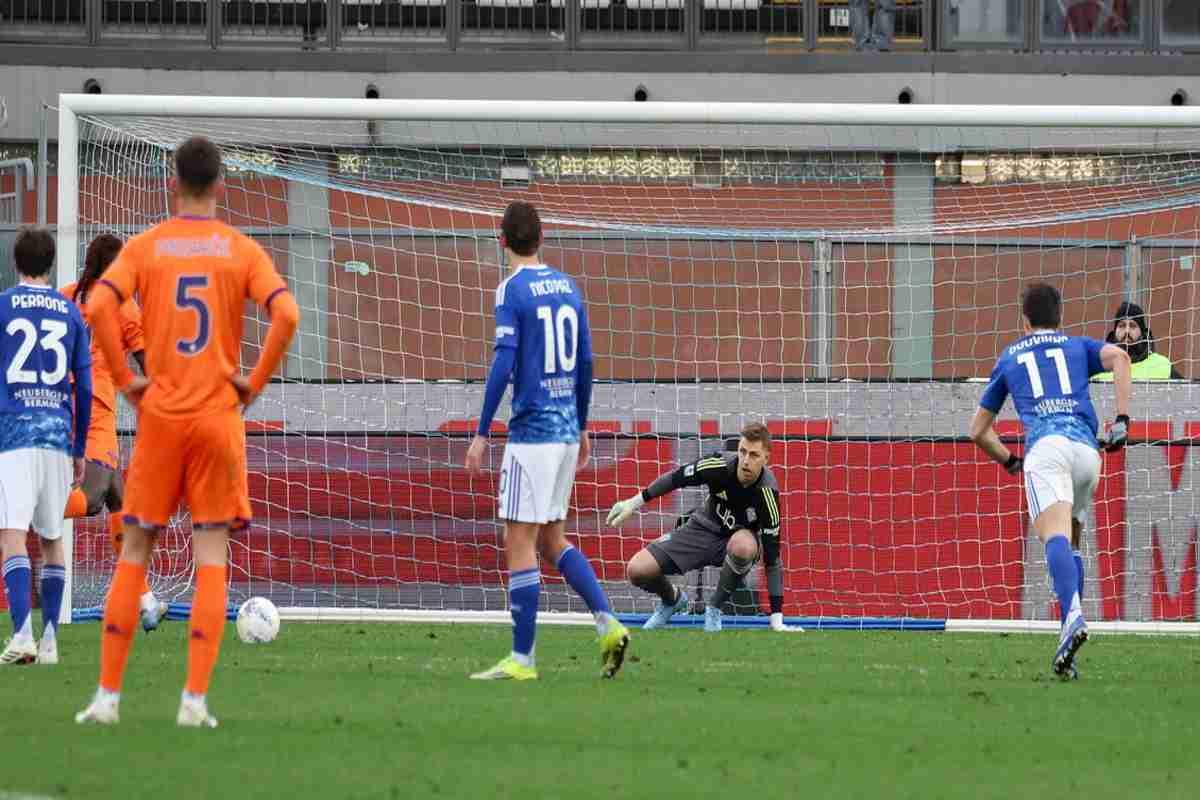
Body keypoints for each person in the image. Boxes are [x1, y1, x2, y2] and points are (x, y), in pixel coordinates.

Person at [74, 136, 300, 727]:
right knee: (211, 555)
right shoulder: (240, 248)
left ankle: (107, 698)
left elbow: (98, 304)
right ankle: (194, 701)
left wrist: (126, 380)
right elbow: (288, 314)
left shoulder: (148, 247)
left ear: (173, 183)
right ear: (220, 185)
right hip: (218, 419)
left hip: (162, 417)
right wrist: (251, 384)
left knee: (136, 549)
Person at [464, 200, 630, 682]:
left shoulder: (512, 290)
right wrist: (581, 425)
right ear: (541, 239)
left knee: (517, 538)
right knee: (553, 539)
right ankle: (608, 623)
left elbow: (503, 363)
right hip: (563, 433)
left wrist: (480, 432)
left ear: (503, 241)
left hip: (532, 433)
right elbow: (587, 363)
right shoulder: (567, 287)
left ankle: (523, 658)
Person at [970, 283, 1131, 680]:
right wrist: (1123, 419)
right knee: (1073, 537)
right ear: (1061, 316)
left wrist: (1010, 460)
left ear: (1024, 320)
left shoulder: (1011, 356)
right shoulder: (1078, 346)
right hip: (1087, 454)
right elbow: (1122, 357)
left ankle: (1073, 615)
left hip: (1048, 450)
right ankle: (1067, 649)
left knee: (1053, 535)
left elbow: (978, 430)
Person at [61, 234, 167, 633]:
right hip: (96, 409)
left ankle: (143, 599)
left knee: (119, 499)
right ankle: (25, 511)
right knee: (91, 499)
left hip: (58, 406)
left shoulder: (66, 295)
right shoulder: (124, 308)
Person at [0, 227, 92, 666]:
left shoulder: (1, 308)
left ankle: (22, 635)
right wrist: (79, 448)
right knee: (54, 537)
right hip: (57, 434)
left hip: (13, 434)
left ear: (16, 262)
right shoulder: (70, 312)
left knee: (12, 533)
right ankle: (51, 639)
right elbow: (85, 387)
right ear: (51, 264)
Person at [609, 422, 794, 633]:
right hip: (701, 529)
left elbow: (772, 559)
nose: (746, 461)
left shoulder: (768, 495)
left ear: (766, 458)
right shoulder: (718, 465)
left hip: (737, 542)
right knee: (637, 570)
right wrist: (633, 503)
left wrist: (777, 619)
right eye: (743, 452)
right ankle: (673, 600)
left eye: (754, 455)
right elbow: (676, 478)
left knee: (744, 546)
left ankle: (714, 608)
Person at [1093, 301, 1182, 381]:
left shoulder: (1162, 366)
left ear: (1142, 333)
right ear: (1114, 333)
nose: (1127, 331)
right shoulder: (1098, 368)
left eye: (1132, 326)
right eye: (1122, 325)